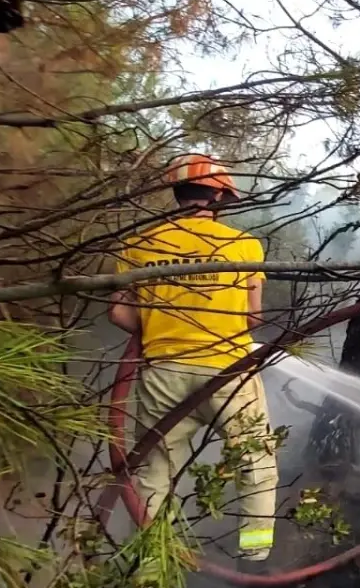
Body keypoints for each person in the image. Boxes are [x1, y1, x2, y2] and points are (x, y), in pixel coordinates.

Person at [108, 154, 279, 563]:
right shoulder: (244, 246)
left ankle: (149, 566)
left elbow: (118, 312)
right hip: (228, 372)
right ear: (219, 194)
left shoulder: (138, 243)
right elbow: (253, 316)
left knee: (155, 473)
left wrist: (161, 323)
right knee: (254, 459)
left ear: (177, 193)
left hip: (162, 373)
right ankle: (255, 557)